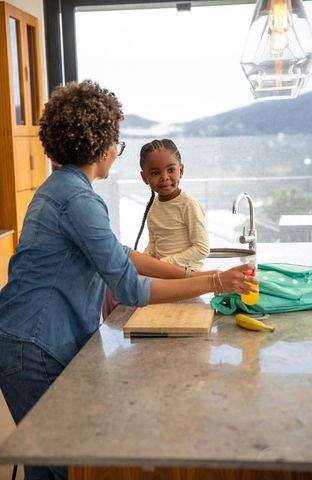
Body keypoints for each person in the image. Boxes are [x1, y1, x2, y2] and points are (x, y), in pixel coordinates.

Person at [0, 80, 257, 480]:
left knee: (53, 461)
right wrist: (214, 283)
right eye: (117, 143)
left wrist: (198, 274)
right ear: (103, 145)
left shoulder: (63, 188)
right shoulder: (79, 199)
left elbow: (122, 254)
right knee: (64, 466)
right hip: (34, 343)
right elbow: (132, 288)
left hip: (24, 337)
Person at [135, 139, 209, 274]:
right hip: (163, 273)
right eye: (155, 173)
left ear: (181, 170)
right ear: (144, 177)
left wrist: (162, 264)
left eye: (170, 170)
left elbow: (202, 248)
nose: (164, 177)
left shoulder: (188, 205)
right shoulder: (152, 206)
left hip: (188, 274)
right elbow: (154, 243)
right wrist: (142, 261)